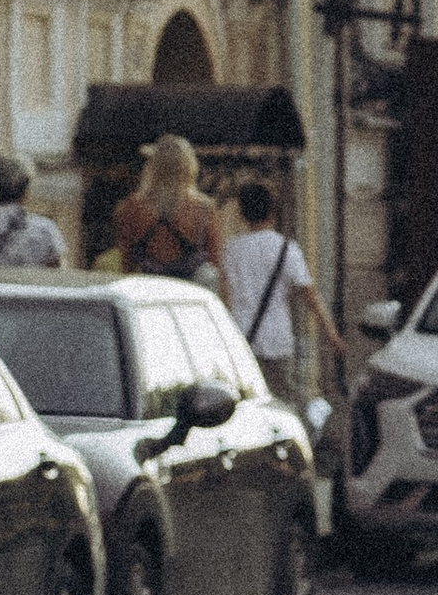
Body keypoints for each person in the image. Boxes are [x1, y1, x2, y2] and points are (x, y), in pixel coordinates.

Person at [222, 181, 344, 400]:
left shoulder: (231, 250)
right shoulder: (287, 248)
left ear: (242, 214)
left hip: (241, 338)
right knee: (283, 402)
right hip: (277, 339)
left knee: (247, 403)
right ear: (273, 212)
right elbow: (310, 296)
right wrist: (332, 336)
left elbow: (225, 296)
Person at [113, 132, 222, 281]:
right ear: (189, 166)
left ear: (153, 166)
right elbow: (216, 262)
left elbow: (126, 263)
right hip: (188, 292)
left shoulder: (132, 207)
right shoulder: (203, 208)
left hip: (149, 289)